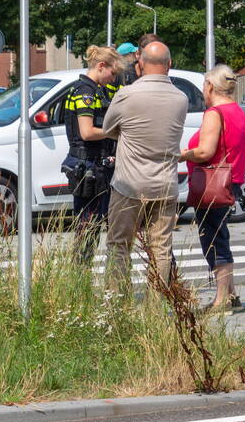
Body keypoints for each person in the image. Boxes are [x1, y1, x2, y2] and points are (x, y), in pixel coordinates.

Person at [102, 41, 188, 289]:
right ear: (169, 65)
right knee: (161, 248)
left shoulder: (127, 95)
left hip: (129, 183)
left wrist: (128, 133)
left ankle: (117, 302)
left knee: (119, 245)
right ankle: (156, 306)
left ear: (140, 64)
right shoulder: (180, 98)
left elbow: (108, 129)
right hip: (165, 184)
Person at [179, 65, 245, 314]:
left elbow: (205, 151)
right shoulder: (236, 110)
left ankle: (221, 300)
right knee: (220, 236)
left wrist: (183, 155)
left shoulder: (215, 112)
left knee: (213, 240)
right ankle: (231, 295)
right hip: (233, 181)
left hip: (213, 184)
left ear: (210, 86)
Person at [61, 45, 125, 264]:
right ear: (101, 66)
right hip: (87, 166)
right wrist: (117, 133)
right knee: (88, 229)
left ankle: (81, 275)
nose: (113, 78)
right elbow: (87, 132)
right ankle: (80, 276)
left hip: (91, 166)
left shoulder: (91, 89)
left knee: (90, 228)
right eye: (113, 73)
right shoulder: (85, 92)